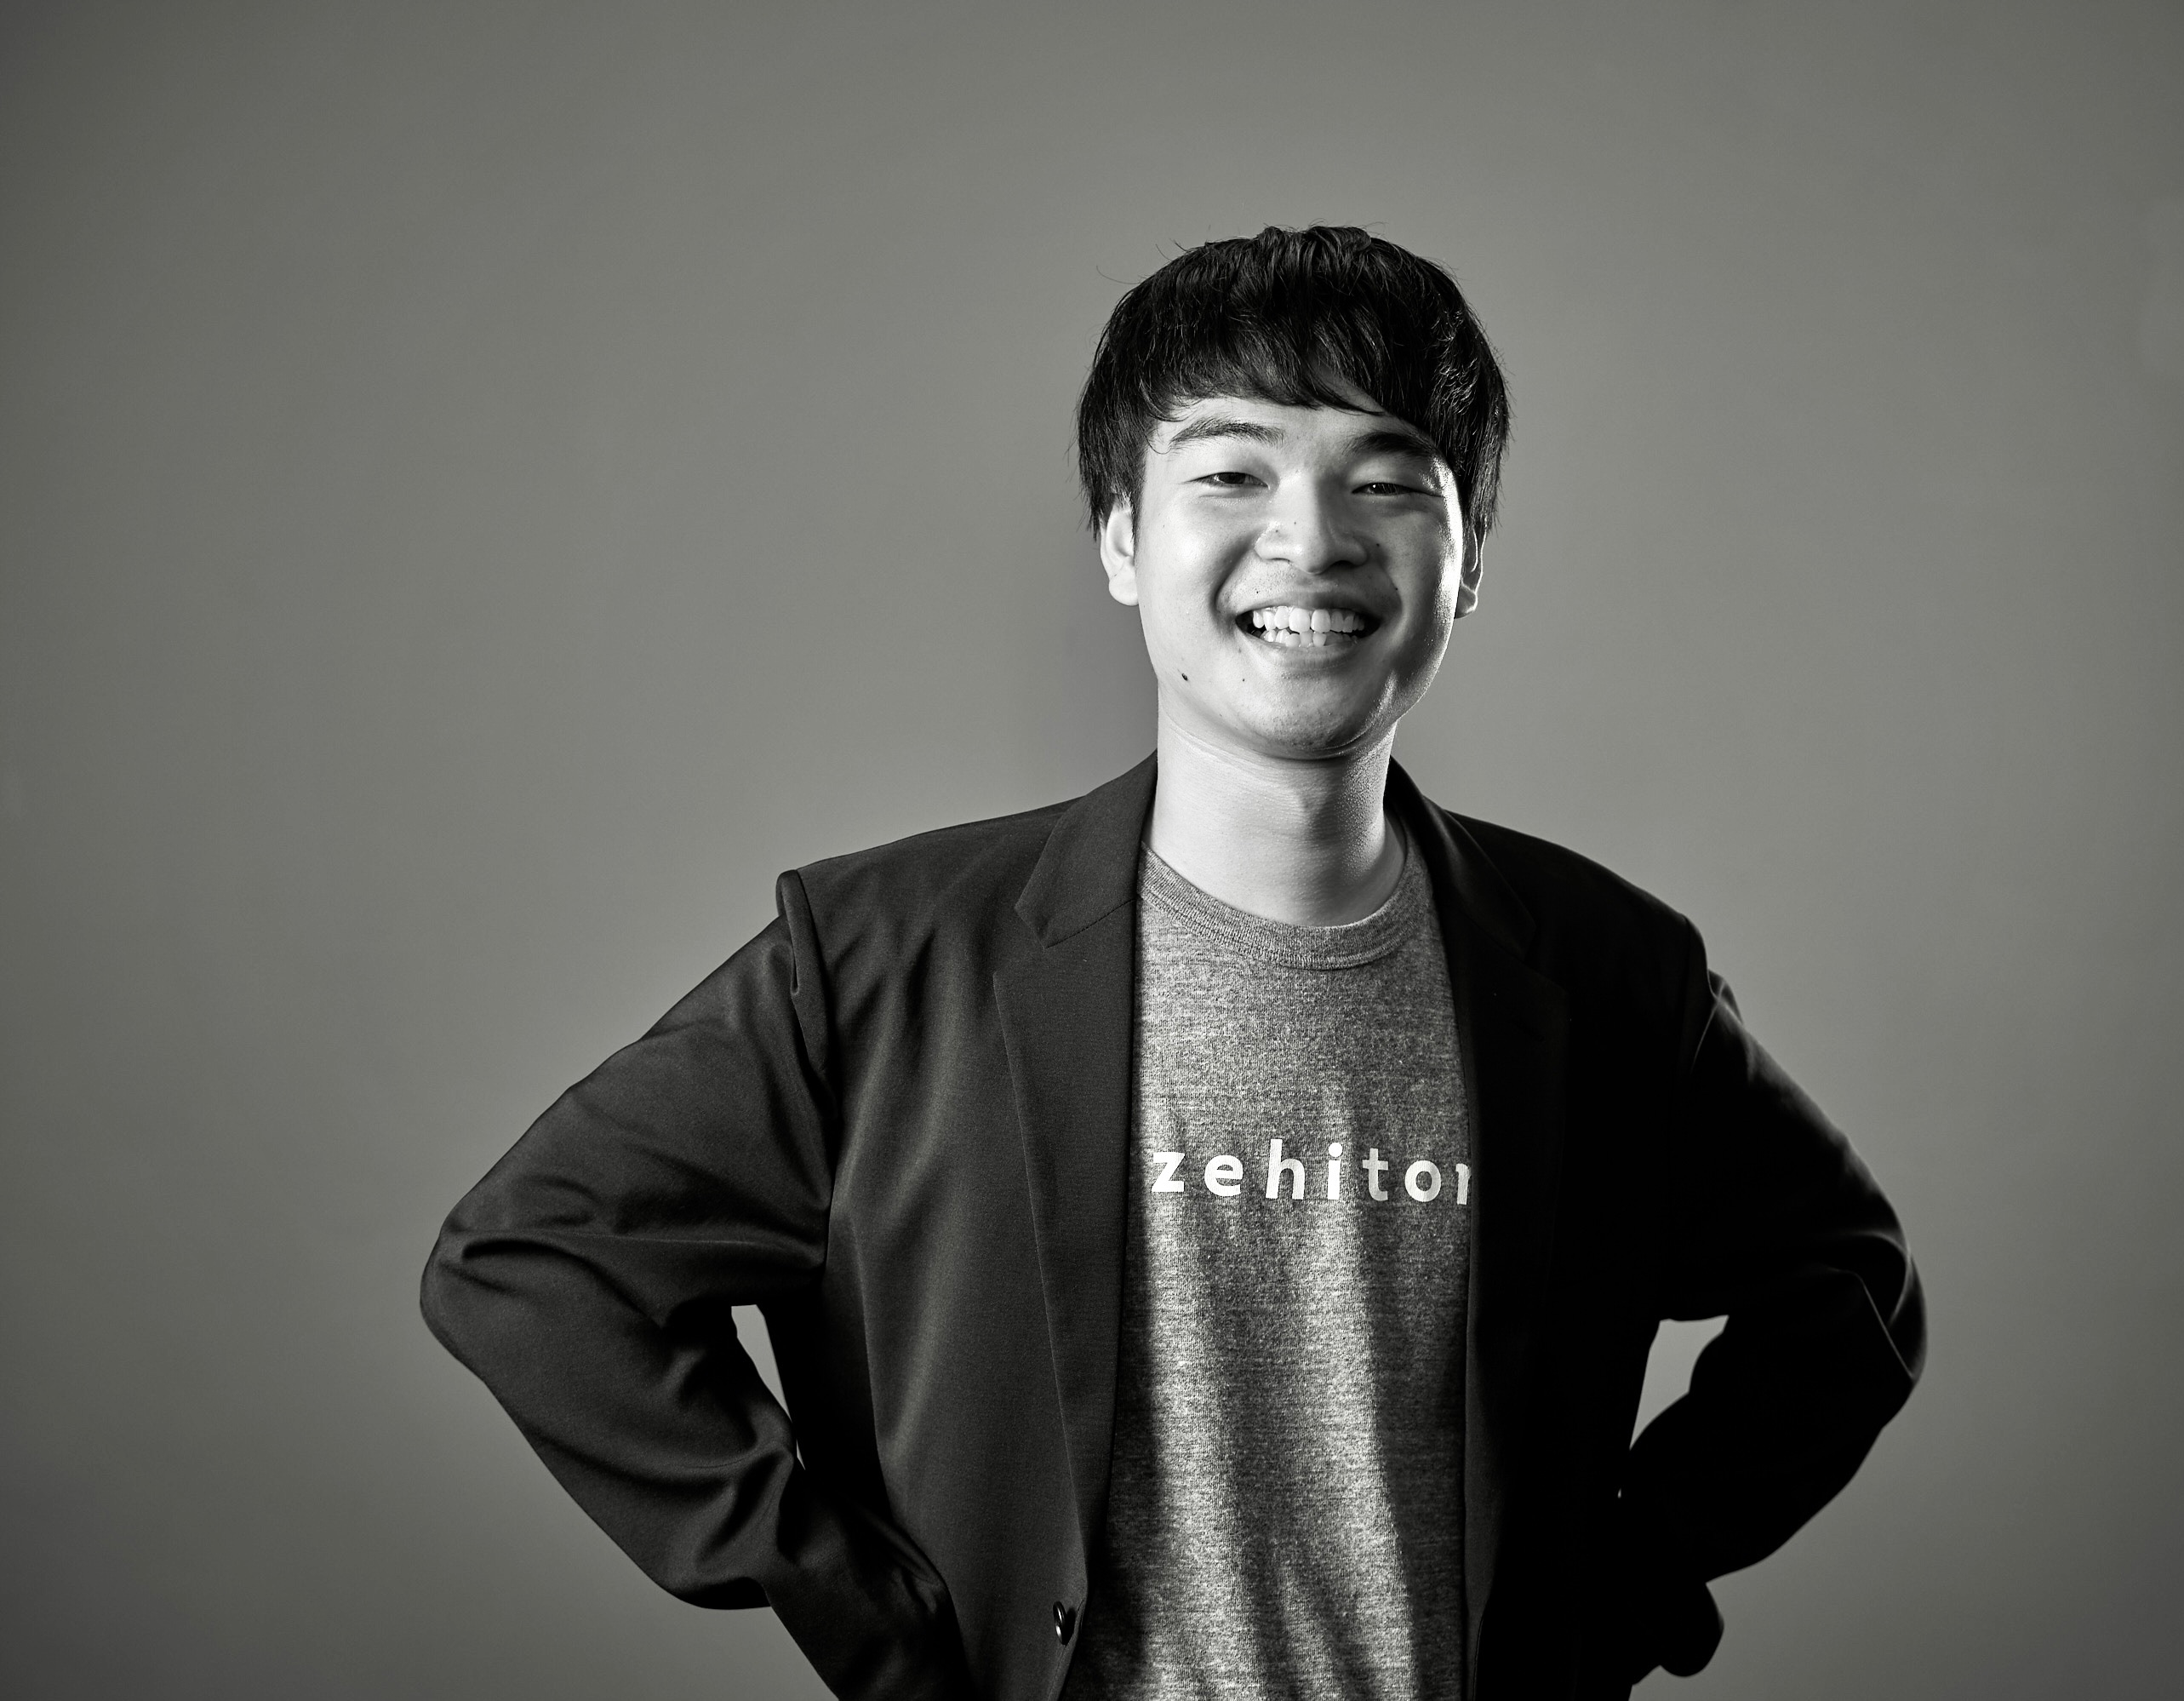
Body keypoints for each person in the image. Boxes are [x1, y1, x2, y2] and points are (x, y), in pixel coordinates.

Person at [421, 225, 1924, 1701]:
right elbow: (531, 1258)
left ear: (1468, 560)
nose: (1311, 539)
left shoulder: (1607, 976)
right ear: (1122, 539)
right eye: (1231, 472)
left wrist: (1619, 1591)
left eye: (1388, 479)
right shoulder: (886, 960)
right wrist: (867, 1619)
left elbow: (1852, 1291)